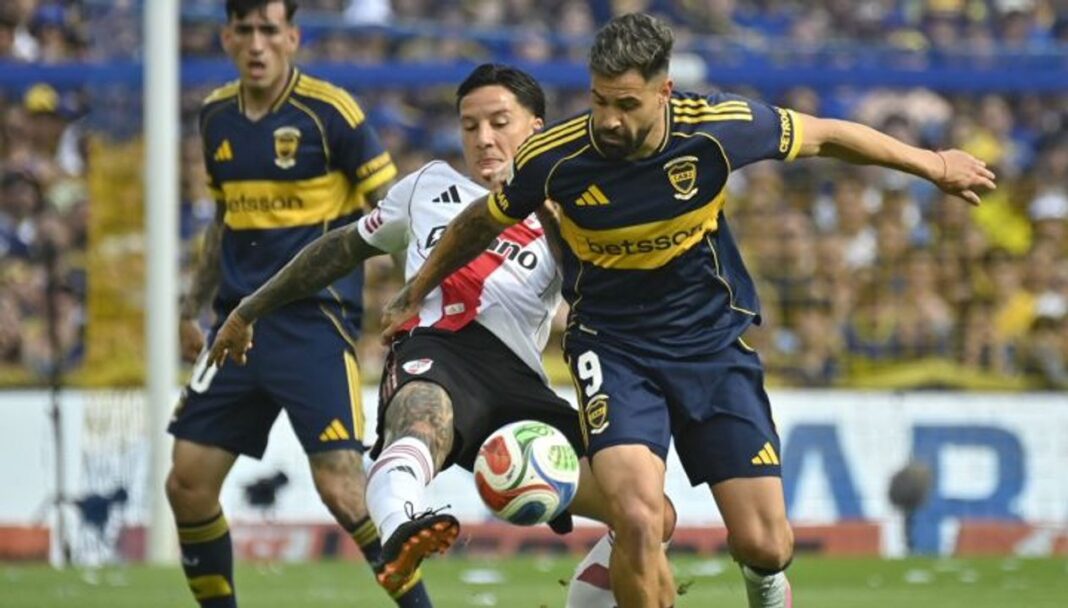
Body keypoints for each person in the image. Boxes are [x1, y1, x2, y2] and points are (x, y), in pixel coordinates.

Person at [379, 13, 998, 608]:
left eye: (626, 104)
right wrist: (416, 288)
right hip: (612, 347)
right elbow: (477, 223)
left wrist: (933, 165)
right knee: (638, 517)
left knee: (765, 542)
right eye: (599, 101)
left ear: (664, 92)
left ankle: (768, 589)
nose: (609, 121)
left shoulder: (721, 126)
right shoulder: (557, 158)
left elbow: (829, 135)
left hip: (710, 343)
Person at [207, 63, 677, 605]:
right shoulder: (427, 187)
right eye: (470, 126)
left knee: (649, 513)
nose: (484, 139)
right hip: (436, 345)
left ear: (537, 129)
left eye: (500, 122)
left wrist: (542, 210)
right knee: (421, 420)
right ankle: (402, 529)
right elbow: (339, 248)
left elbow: (590, 294)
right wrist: (249, 309)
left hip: (516, 381)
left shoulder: (574, 207)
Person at [165, 1, 431, 607]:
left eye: (269, 31)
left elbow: (394, 213)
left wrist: (408, 301)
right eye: (245, 31)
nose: (257, 44)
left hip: (314, 320)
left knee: (341, 487)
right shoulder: (215, 118)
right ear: (226, 37)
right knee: (188, 484)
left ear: (292, 37)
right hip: (237, 325)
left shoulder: (330, 113)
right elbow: (223, 220)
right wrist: (191, 307)